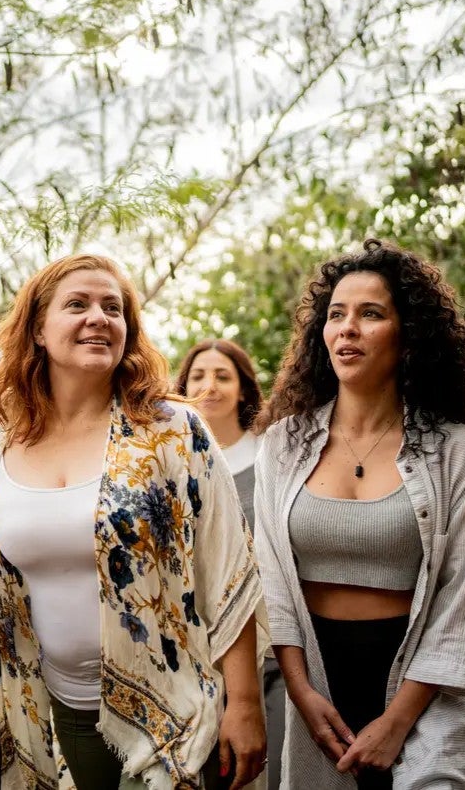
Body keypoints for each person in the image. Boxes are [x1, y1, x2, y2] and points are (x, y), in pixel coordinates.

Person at [0, 254, 271, 790]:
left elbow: (229, 568)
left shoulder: (172, 431)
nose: (98, 318)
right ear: (38, 328)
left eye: (113, 308)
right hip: (65, 707)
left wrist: (245, 705)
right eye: (77, 305)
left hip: (173, 706)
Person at [253, 238, 465, 789]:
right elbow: (272, 582)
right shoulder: (283, 446)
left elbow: (463, 601)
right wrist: (302, 691)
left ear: (408, 335)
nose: (348, 328)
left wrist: (397, 721)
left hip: (427, 689)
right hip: (318, 678)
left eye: (371, 314)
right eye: (336, 314)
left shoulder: (456, 451)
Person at [175, 338, 285, 790]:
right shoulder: (173, 457)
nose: (210, 385)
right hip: (199, 650)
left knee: (276, 767)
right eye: (198, 376)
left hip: (275, 642)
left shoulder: (273, 454)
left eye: (223, 376)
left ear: (243, 389)